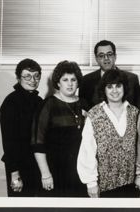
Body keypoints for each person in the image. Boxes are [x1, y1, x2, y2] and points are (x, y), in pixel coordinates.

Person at [77, 69, 139, 198]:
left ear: (124, 87)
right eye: (109, 87)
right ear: (104, 90)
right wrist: (91, 183)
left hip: (132, 184)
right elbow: (87, 150)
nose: (114, 90)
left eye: (118, 86)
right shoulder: (95, 114)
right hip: (104, 186)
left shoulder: (135, 113)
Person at [31, 60, 87, 197]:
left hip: (81, 169)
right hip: (55, 170)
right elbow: (37, 142)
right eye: (65, 79)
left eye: (73, 79)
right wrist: (45, 174)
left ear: (78, 82)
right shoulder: (48, 105)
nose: (70, 83)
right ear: (58, 83)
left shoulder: (84, 103)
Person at [0, 58, 43, 197]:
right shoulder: (10, 102)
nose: (33, 80)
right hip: (18, 165)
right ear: (18, 78)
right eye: (27, 76)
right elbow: (8, 141)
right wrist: (14, 173)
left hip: (36, 163)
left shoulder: (38, 100)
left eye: (36, 76)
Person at [79, 40, 140, 110]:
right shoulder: (86, 81)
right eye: (101, 55)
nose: (106, 58)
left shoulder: (132, 79)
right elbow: (83, 109)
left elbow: (137, 109)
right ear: (96, 59)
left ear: (115, 56)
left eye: (109, 54)